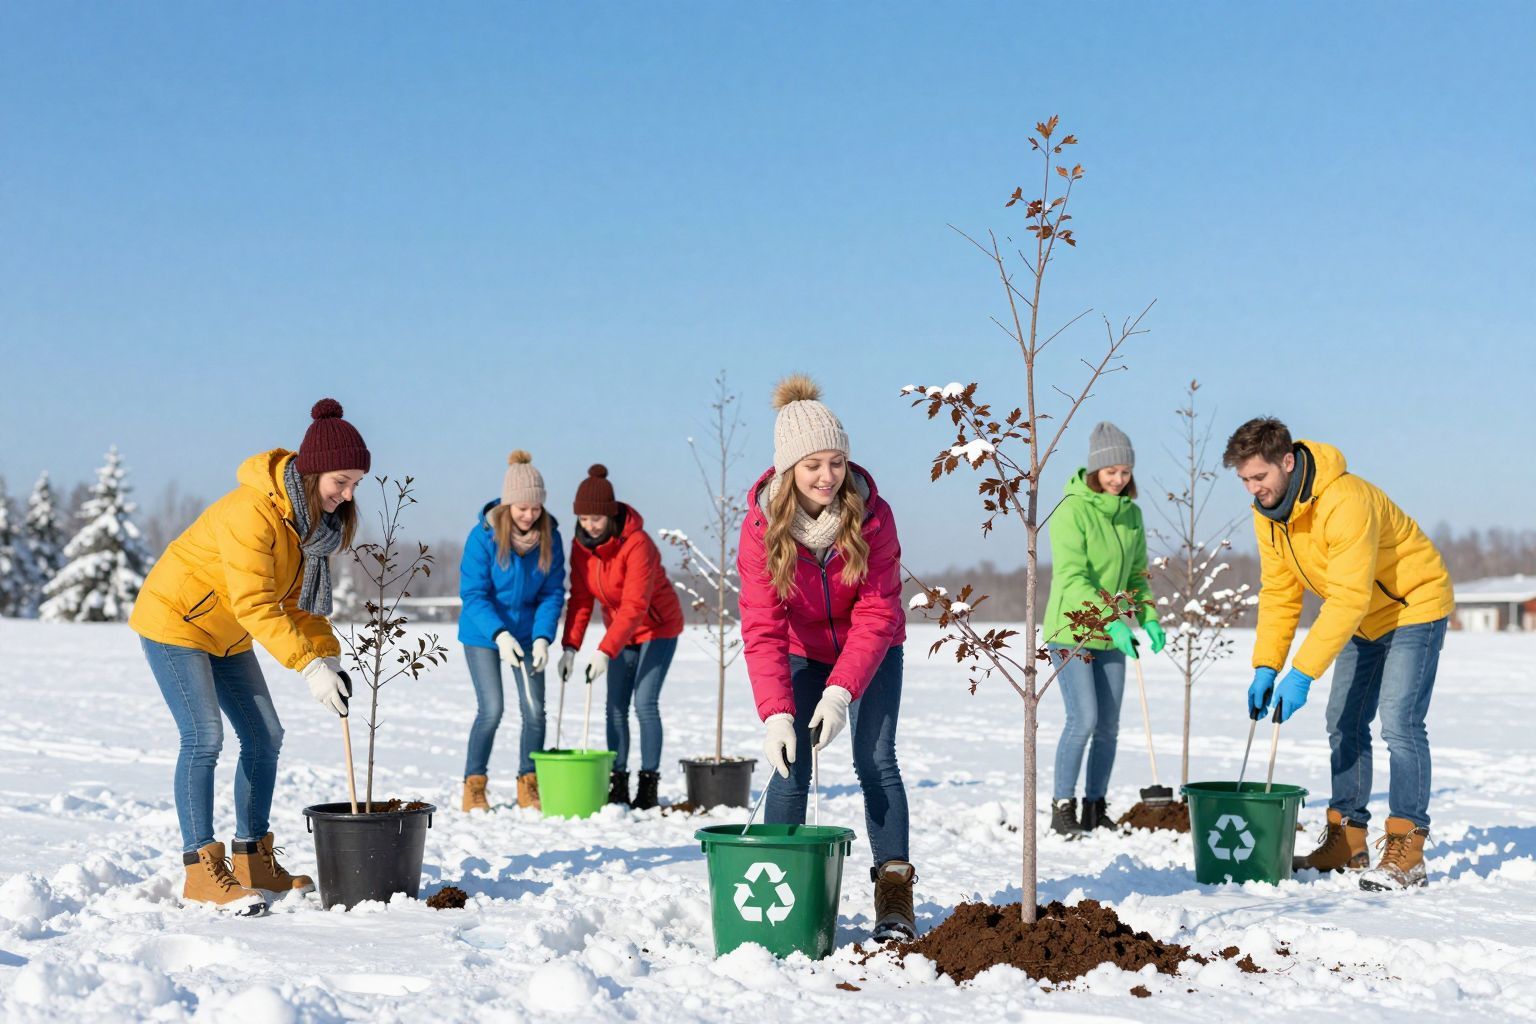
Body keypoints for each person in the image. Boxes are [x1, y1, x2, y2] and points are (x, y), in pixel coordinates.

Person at [130, 399, 368, 914]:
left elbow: (298, 604)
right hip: (176, 620)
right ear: (314, 473)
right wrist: (306, 666)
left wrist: (327, 657)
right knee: (203, 736)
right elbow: (257, 603)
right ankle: (200, 869)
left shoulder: (307, 525)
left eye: (355, 485)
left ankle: (252, 859)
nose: (348, 495)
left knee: (265, 736)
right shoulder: (252, 512)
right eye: (341, 482)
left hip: (227, 631)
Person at [1225, 417, 1452, 890]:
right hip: (1362, 616)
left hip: (1412, 605)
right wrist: (1267, 665)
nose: (1253, 488)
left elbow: (1347, 597)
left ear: (1287, 462)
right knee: (1343, 722)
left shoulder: (1344, 501)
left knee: (1399, 721)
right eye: (1244, 479)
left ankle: (1407, 848)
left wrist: (1302, 672)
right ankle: (1347, 840)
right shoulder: (1268, 515)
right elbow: (1280, 592)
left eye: (1259, 476)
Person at [737, 375, 916, 940]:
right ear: (789, 468)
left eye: (836, 462)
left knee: (876, 760)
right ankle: (778, 890)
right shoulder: (761, 528)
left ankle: (894, 896)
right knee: (790, 765)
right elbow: (762, 626)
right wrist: (776, 715)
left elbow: (878, 613)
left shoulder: (873, 517)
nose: (827, 476)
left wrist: (840, 693)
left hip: (874, 652)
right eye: (812, 464)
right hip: (800, 653)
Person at [1042, 422, 1164, 837]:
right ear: (1095, 469)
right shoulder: (1071, 510)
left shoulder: (1132, 515)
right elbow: (1073, 579)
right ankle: (1062, 808)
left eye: (1125, 471)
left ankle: (1095, 807)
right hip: (1071, 629)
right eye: (1111, 471)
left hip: (1113, 631)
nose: (1119, 479)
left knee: (1109, 725)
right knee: (1084, 718)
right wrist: (1112, 621)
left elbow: (1137, 575)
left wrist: (1148, 617)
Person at [559, 464, 684, 810]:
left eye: (596, 518)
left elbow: (635, 604)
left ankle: (648, 784)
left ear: (611, 514)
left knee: (644, 703)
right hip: (621, 631)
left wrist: (604, 650)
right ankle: (618, 783)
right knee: (614, 706)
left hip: (658, 627)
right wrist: (570, 647)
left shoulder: (637, 543)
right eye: (584, 518)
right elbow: (581, 599)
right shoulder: (580, 547)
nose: (590, 524)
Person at [458, 450, 566, 812]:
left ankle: (528, 782)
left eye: (535, 508)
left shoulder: (550, 537)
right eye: (522, 507)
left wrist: (542, 637)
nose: (529, 515)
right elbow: (474, 594)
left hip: (528, 633)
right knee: (492, 709)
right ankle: (474, 784)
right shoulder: (483, 537)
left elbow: (552, 593)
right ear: (508, 504)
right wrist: (499, 634)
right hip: (483, 634)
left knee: (535, 710)